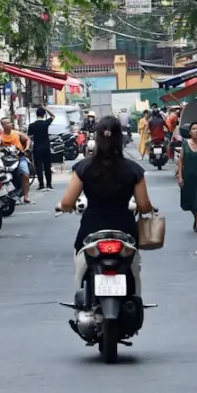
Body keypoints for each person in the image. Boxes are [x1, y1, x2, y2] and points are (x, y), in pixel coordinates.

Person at [58, 115, 155, 297]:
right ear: (120, 139)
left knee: (80, 270)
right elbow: (143, 205)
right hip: (125, 230)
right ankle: (136, 300)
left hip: (90, 230)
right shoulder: (134, 170)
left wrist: (64, 207)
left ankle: (81, 300)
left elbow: (67, 203)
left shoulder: (83, 168)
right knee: (134, 271)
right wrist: (147, 208)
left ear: (97, 138)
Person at [0, 119, 31, 203]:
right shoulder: (1, 137)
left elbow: (27, 139)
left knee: (25, 175)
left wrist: (26, 148)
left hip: (19, 157)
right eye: (7, 123)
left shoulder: (17, 133)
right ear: (3, 126)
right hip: (6, 160)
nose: (9, 124)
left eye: (9, 122)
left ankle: (26, 196)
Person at [27, 106, 54, 191]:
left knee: (38, 166)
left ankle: (41, 184)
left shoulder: (32, 125)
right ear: (44, 114)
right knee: (47, 166)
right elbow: (53, 116)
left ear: (36, 114)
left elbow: (29, 137)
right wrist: (46, 109)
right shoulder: (46, 123)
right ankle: (49, 184)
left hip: (37, 148)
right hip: (46, 147)